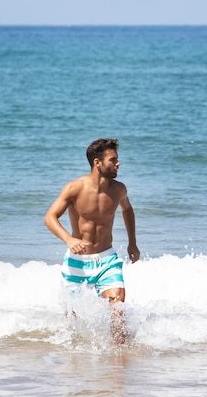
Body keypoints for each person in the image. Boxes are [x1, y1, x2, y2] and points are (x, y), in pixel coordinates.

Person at [44, 138, 140, 342]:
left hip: (107, 259)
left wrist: (132, 242)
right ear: (97, 162)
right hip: (77, 262)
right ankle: (74, 362)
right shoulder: (74, 188)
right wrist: (69, 239)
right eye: (113, 160)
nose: (118, 164)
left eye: (117, 159)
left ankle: (119, 359)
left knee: (118, 309)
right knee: (72, 320)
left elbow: (128, 209)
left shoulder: (119, 189)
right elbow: (50, 217)